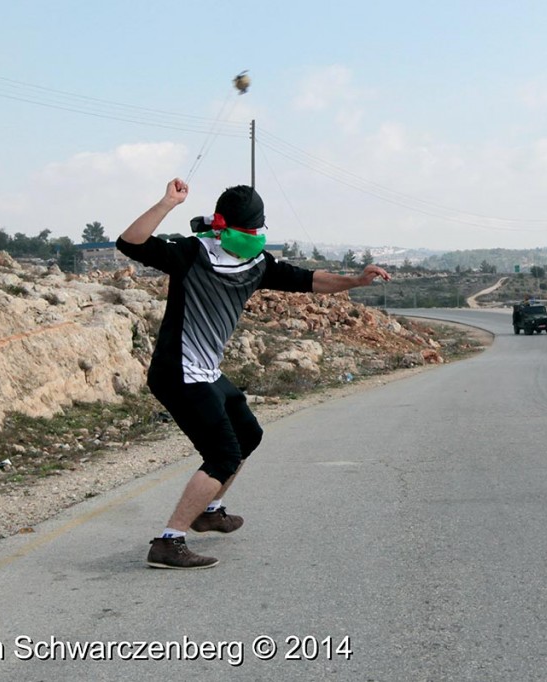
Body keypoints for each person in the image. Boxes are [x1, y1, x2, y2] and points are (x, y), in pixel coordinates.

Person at [117, 178, 390, 569]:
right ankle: (169, 541)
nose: (251, 237)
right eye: (244, 230)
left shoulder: (258, 264)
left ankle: (209, 512)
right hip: (177, 371)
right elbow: (130, 243)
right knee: (223, 455)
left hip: (205, 371)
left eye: (255, 231)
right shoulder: (191, 253)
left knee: (248, 434)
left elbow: (310, 281)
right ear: (220, 225)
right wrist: (167, 203)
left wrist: (356, 281)